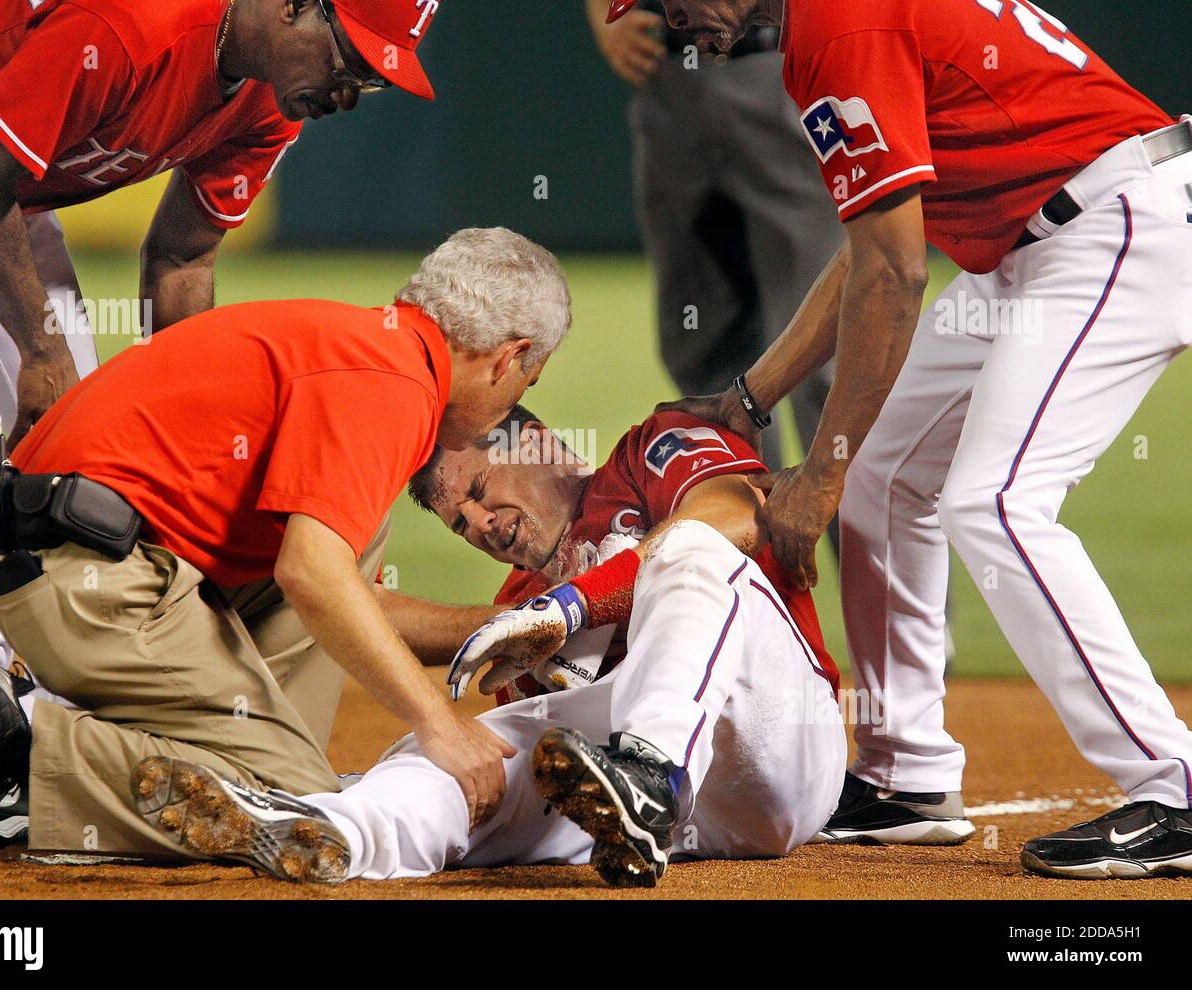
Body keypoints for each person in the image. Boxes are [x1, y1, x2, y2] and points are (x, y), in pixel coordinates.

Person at [607, 0, 1192, 877]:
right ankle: (904, 774)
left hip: (1115, 222)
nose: (673, 22)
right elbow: (867, 250)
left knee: (997, 501)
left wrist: (817, 478)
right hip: (1038, 239)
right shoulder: (829, 28)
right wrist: (751, 398)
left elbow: (896, 274)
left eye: (672, 1)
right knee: (883, 482)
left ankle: (1175, 784)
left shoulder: (841, 29)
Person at [0, 227, 570, 872]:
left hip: (79, 555)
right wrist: (441, 726)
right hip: (91, 579)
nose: (513, 401)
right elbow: (311, 575)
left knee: (354, 537)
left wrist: (492, 630)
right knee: (287, 806)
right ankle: (12, 739)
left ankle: (192, 748)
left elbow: (340, 594)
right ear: (509, 356)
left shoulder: (368, 343)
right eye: (526, 383)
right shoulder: (392, 379)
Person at [0, 0, 442, 688]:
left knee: (78, 440)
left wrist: (188, 439)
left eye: (372, 78)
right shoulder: (137, 24)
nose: (348, 91)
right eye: (349, 58)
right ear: (296, 6)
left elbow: (181, 259)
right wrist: (42, 351)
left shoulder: (271, 104)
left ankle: (59, 678)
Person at [124, 403, 845, 888]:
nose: (478, 522)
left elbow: (735, 520)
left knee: (686, 549)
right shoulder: (512, 615)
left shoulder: (646, 453)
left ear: (532, 442)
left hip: (778, 747)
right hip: (686, 828)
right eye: (457, 522)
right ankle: (330, 829)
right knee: (470, 750)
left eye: (476, 487)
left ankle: (651, 774)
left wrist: (571, 608)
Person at [583, 0, 843, 485]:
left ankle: (865, 561)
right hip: (668, 77)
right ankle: (746, 555)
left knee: (825, 355)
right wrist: (601, 13)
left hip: (780, 64)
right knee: (705, 347)